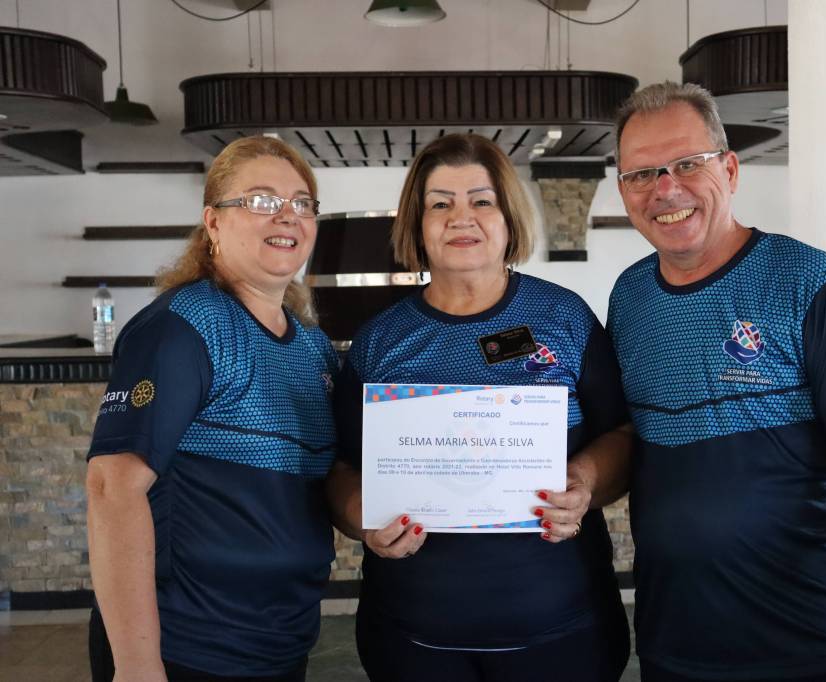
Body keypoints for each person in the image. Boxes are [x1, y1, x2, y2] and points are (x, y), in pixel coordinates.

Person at [607, 82, 826, 682]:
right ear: (624, 191)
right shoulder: (629, 298)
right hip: (674, 639)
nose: (665, 189)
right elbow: (630, 441)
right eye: (641, 174)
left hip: (807, 637)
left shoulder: (810, 283)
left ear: (729, 169)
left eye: (687, 164)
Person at [327, 132, 631, 682]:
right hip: (413, 640)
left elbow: (623, 434)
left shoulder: (564, 318)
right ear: (417, 224)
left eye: (481, 201)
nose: (460, 218)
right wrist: (361, 518)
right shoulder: (380, 341)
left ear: (508, 217)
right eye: (440, 203)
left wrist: (584, 482)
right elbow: (341, 467)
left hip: (563, 635)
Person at [86, 136, 339, 681]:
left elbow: (326, 486)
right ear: (214, 222)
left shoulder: (312, 348)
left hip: (279, 642)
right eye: (262, 200)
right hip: (187, 646)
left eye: (301, 203)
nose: (287, 215)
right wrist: (137, 666)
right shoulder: (183, 328)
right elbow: (112, 488)